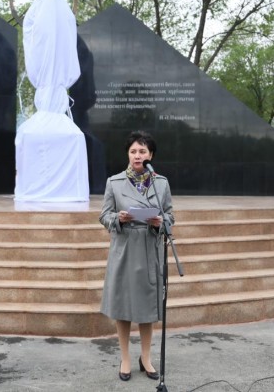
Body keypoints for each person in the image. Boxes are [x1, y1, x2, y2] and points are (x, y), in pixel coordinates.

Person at [99, 130, 174, 382]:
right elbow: (104, 215)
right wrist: (118, 218)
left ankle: (146, 358)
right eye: (133, 151)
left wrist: (160, 221)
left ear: (150, 155)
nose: (137, 155)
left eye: (142, 151)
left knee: (146, 307)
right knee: (122, 306)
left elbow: (170, 216)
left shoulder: (161, 183)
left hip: (149, 248)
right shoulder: (114, 182)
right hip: (124, 249)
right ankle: (125, 359)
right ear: (128, 155)